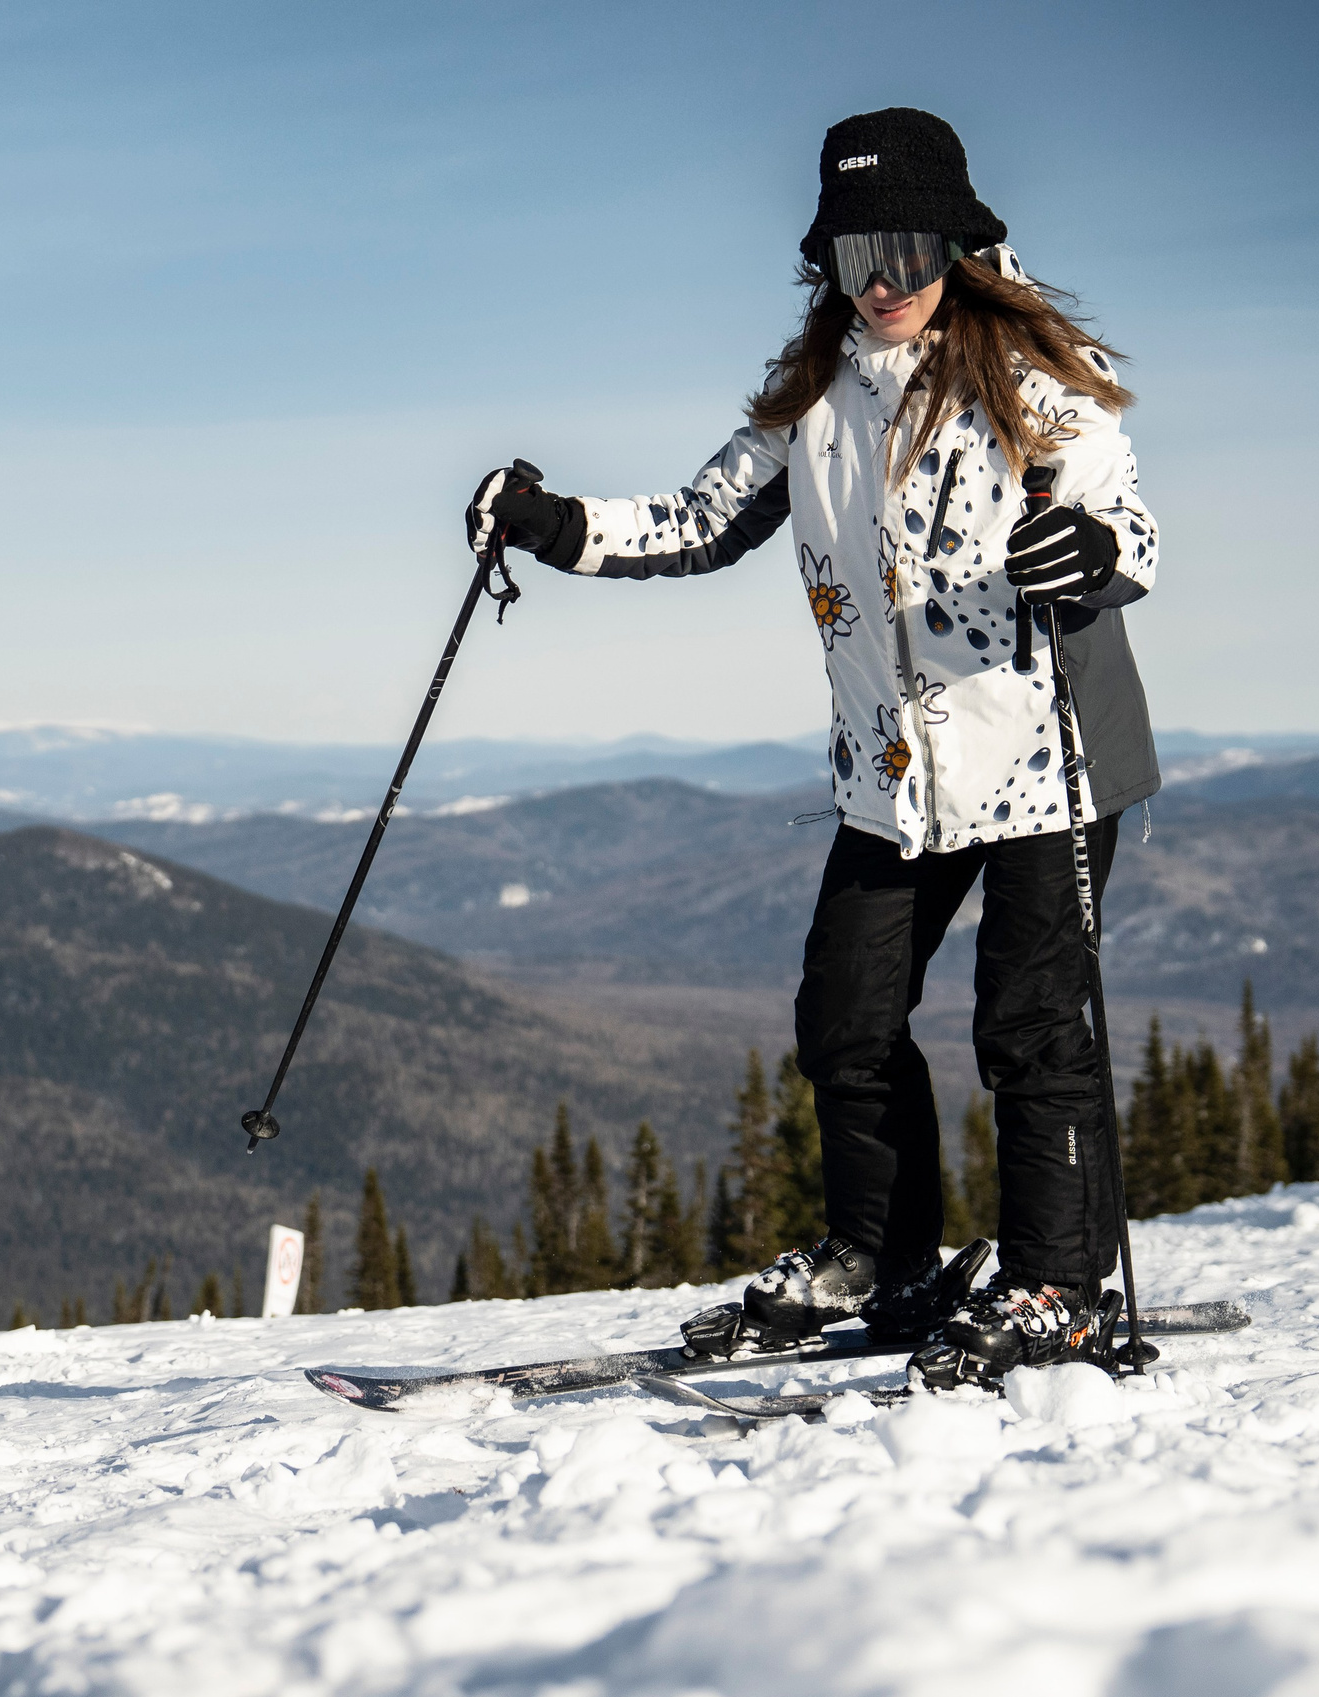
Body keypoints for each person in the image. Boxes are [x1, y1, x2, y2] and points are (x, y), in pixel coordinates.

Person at [465, 109, 1160, 1386]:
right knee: (843, 1020)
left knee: (1029, 1028)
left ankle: (1057, 1285)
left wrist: (1094, 554)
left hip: (1042, 752)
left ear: (956, 242)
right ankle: (885, 1257)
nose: (881, 282)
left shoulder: (1035, 381)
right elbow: (696, 520)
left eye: (901, 247)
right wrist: (551, 522)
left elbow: (1125, 522)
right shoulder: (815, 401)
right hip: (892, 774)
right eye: (851, 258)